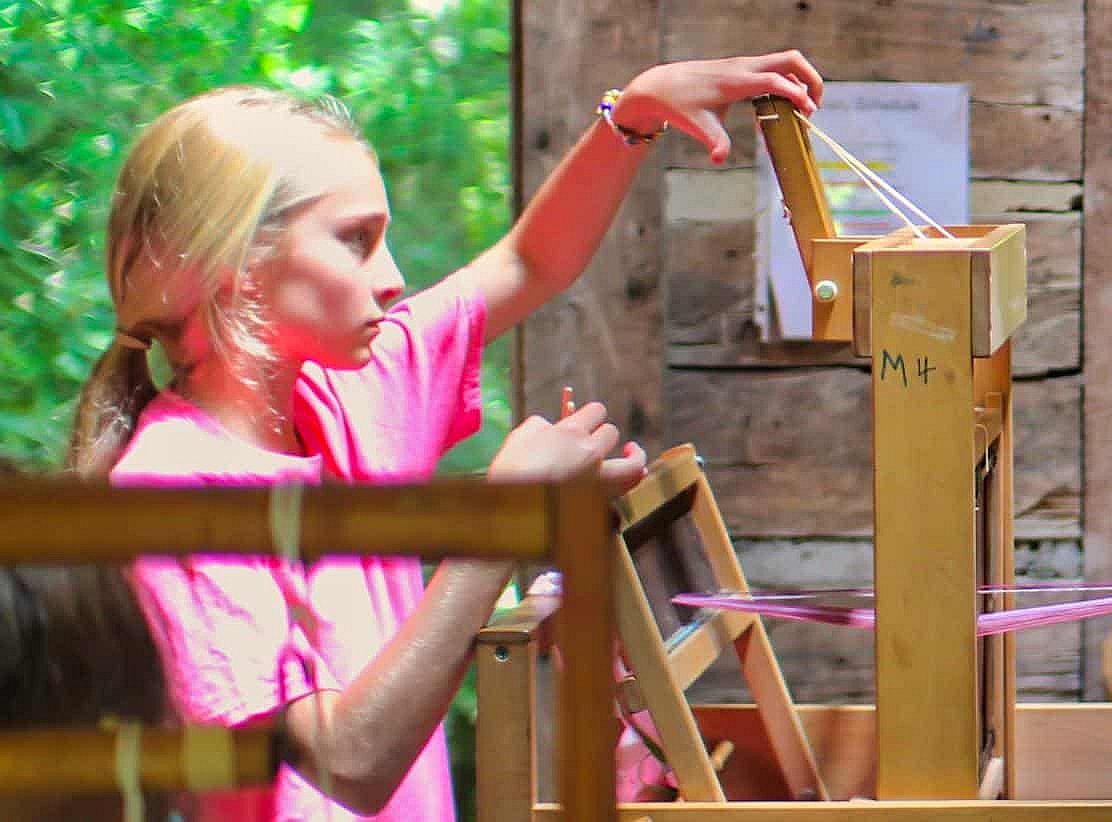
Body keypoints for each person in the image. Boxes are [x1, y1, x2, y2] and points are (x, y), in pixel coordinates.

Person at [66, 51, 823, 819]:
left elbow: (529, 260)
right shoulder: (170, 492)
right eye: (355, 240)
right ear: (233, 265)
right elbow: (347, 763)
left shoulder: (356, 388)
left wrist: (632, 116)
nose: (392, 277)